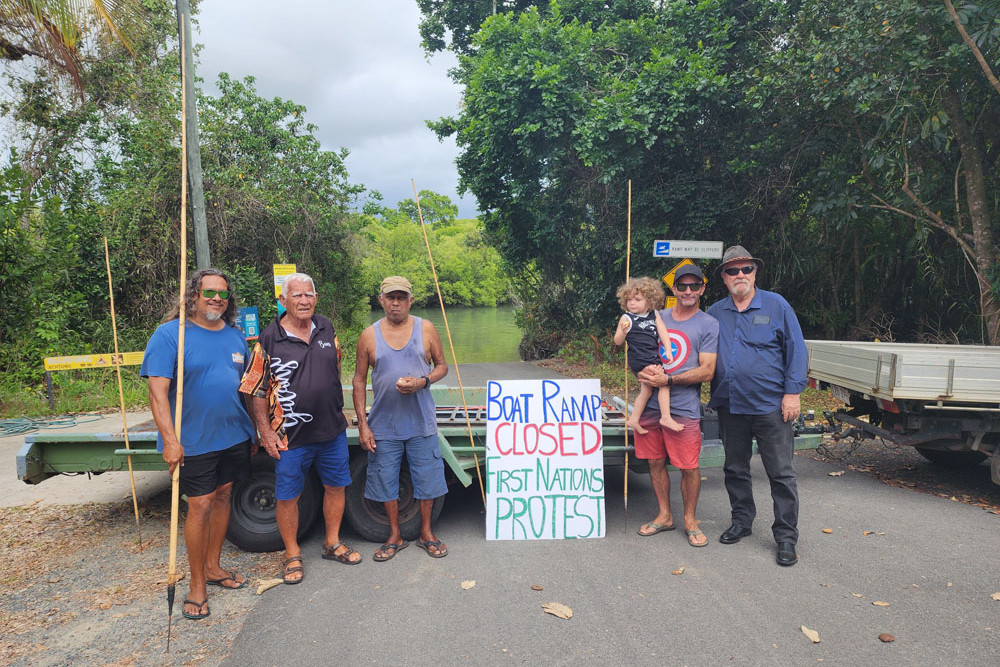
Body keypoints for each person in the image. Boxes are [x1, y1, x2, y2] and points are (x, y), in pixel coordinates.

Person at [140, 268, 256, 621]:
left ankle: (214, 567)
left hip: (233, 434)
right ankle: (196, 585)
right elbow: (157, 394)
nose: (216, 299)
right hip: (193, 440)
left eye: (222, 293)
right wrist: (171, 441)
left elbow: (245, 388)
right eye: (209, 293)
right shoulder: (169, 335)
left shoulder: (236, 337)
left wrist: (252, 430)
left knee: (223, 497)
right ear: (193, 295)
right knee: (201, 504)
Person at [239, 272, 360, 586]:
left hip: (331, 430)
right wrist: (265, 432)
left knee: (336, 486)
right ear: (283, 301)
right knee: (288, 496)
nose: (304, 300)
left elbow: (334, 364)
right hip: (289, 436)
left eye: (309, 294)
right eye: (297, 295)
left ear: (315, 298)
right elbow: (256, 388)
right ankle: (292, 553)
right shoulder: (268, 338)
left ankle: (331, 542)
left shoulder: (326, 327)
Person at [707, 245, 808, 566]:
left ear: (755, 273)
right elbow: (691, 344)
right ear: (724, 277)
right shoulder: (714, 313)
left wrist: (793, 393)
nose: (740, 275)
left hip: (770, 407)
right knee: (735, 468)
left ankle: (786, 537)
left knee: (780, 473)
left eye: (745, 269)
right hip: (730, 405)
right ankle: (742, 521)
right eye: (732, 270)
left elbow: (796, 351)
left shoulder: (777, 305)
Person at [352, 276, 449, 560]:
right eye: (390, 297)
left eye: (401, 297)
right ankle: (394, 534)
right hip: (383, 423)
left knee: (427, 478)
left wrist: (423, 381)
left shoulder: (426, 328)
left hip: (421, 421)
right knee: (385, 479)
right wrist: (363, 425)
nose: (396, 303)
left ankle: (426, 533)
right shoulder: (368, 335)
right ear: (381, 300)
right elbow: (358, 381)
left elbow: (442, 366)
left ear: (410, 300)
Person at [633, 264, 719, 547]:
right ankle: (664, 515)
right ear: (674, 289)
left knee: (688, 466)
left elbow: (707, 371)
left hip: (683, 408)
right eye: (682, 286)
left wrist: (668, 380)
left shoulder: (708, 324)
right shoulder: (656, 316)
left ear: (702, 289)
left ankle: (691, 520)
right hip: (650, 408)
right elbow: (636, 348)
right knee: (655, 463)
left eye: (694, 286)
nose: (688, 291)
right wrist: (641, 374)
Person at [613, 277, 682, 434]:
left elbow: (663, 332)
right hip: (640, 358)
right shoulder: (627, 318)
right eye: (629, 299)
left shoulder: (654, 314)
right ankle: (666, 417)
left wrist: (669, 350)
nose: (632, 303)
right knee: (664, 383)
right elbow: (617, 342)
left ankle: (634, 420)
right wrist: (623, 331)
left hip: (653, 356)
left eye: (637, 299)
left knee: (647, 390)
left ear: (649, 300)